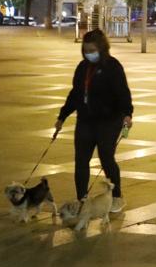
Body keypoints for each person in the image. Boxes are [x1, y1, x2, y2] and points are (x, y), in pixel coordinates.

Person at [55, 29, 133, 213]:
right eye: (86, 50)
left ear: (101, 48)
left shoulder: (113, 67)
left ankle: (116, 197)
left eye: (92, 50)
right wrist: (62, 116)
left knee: (106, 158)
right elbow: (75, 94)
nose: (89, 53)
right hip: (85, 120)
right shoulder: (82, 67)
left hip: (109, 120)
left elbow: (123, 93)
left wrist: (128, 114)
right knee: (81, 160)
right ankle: (81, 199)